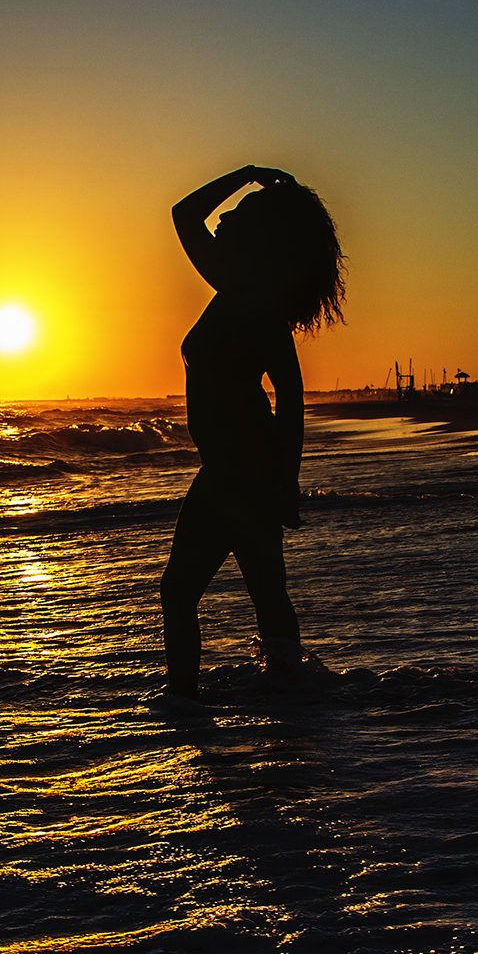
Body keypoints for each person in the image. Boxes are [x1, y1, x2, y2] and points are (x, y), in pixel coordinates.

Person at [160, 164, 345, 706]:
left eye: (235, 215)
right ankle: (292, 696)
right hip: (237, 468)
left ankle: (185, 706)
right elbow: (184, 214)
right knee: (266, 591)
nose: (221, 219)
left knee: (181, 592)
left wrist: (286, 481)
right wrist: (246, 175)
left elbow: (290, 390)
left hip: (240, 469)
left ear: (256, 236)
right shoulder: (234, 288)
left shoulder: (255, 301)